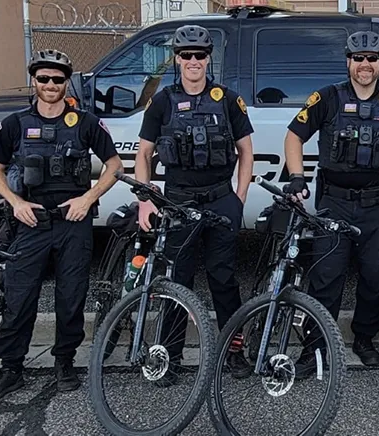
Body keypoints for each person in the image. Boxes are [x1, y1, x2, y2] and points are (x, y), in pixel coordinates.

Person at [0, 49, 123, 404]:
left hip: (73, 222)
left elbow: (115, 165)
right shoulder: (14, 124)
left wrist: (87, 198)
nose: (50, 85)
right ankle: (11, 370)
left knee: (71, 298)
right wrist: (16, 202)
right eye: (43, 79)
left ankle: (64, 363)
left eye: (57, 79)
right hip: (31, 221)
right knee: (20, 298)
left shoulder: (85, 122)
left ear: (66, 82)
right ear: (34, 81)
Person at [283, 30, 379, 371]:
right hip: (335, 202)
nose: (365, 65)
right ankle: (315, 347)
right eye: (358, 58)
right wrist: (297, 176)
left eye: (371, 58)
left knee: (376, 276)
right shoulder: (327, 98)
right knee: (326, 276)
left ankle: (365, 338)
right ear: (348, 62)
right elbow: (294, 136)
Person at [134, 24, 255, 384]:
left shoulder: (227, 99)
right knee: (177, 281)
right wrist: (146, 200)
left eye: (199, 55)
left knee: (223, 280)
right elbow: (143, 154)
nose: (192, 61)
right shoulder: (162, 101)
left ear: (208, 59)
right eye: (186, 55)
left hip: (220, 201)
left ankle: (233, 353)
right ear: (177, 58)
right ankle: (170, 356)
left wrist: (239, 198)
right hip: (177, 203)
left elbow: (245, 151)